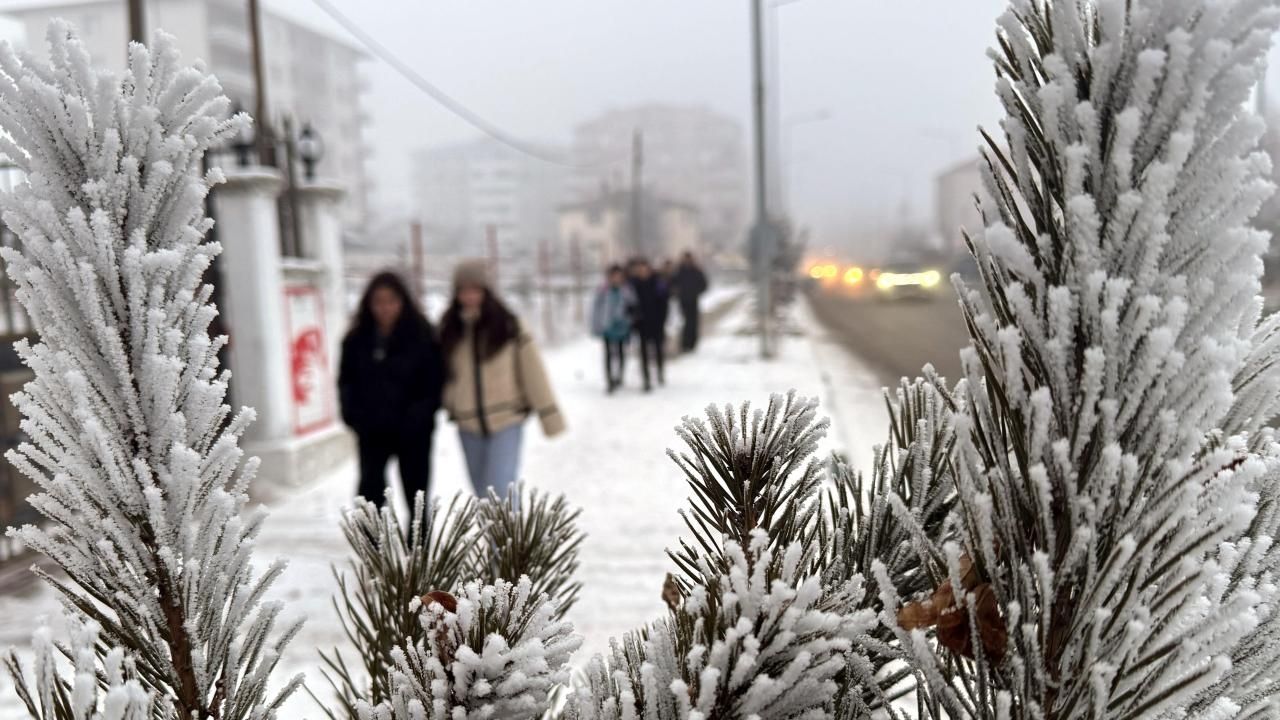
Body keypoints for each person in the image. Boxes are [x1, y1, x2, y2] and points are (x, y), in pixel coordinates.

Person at [440, 260, 565, 500]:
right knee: (482, 493)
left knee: (501, 489)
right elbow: (443, 374)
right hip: (467, 424)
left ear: (486, 290)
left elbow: (533, 371)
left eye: (475, 289)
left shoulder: (508, 326)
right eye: (463, 290)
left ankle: (511, 528)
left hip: (506, 419)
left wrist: (549, 416)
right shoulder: (450, 330)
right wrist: (450, 402)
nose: (470, 296)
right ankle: (494, 528)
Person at [339, 271, 444, 507]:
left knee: (417, 498)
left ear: (402, 302)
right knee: (370, 496)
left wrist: (420, 415)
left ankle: (417, 533)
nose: (385, 308)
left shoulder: (422, 335)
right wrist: (353, 415)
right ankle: (373, 533)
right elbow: (346, 380)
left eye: (391, 301)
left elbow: (434, 381)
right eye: (378, 301)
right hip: (372, 431)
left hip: (414, 431)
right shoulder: (356, 339)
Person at [591, 264, 636, 393]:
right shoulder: (602, 290)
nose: (616, 278)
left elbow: (633, 306)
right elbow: (595, 309)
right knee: (608, 354)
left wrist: (629, 319)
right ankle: (609, 380)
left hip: (622, 326)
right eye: (614, 276)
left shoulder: (626, 291)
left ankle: (620, 377)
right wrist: (596, 325)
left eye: (619, 276)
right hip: (607, 326)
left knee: (621, 352)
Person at [629, 257, 669, 390]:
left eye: (644, 268)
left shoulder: (657, 282)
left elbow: (664, 302)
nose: (642, 271)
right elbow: (630, 303)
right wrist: (634, 319)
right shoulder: (633, 284)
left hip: (657, 322)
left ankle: (660, 373)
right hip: (642, 324)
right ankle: (646, 379)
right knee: (644, 352)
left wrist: (663, 319)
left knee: (658, 349)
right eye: (639, 269)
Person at [671, 251, 709, 352]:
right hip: (683, 300)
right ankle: (685, 344)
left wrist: (696, 292)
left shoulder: (696, 271)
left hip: (693, 300)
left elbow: (704, 284)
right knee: (685, 322)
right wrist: (677, 292)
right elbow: (673, 284)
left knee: (693, 322)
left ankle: (692, 343)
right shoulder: (679, 271)